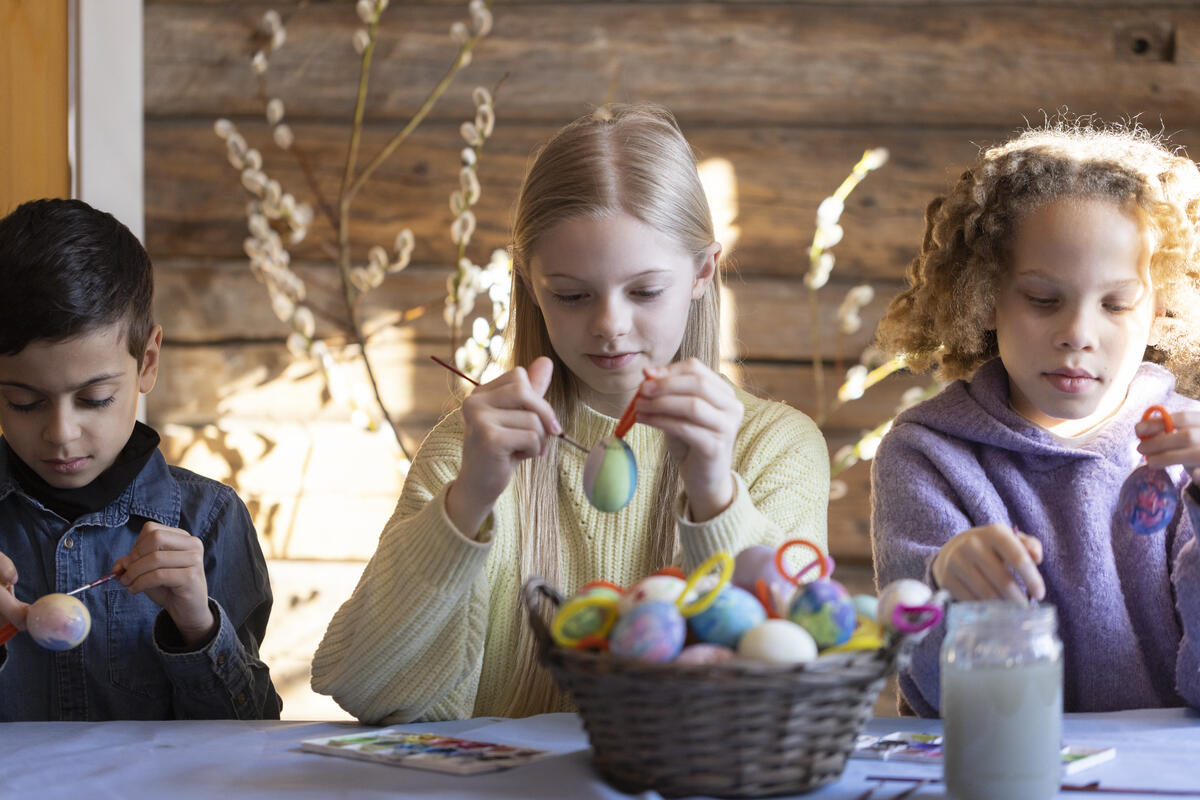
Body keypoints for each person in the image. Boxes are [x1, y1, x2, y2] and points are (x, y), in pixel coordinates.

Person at [311, 104, 830, 723]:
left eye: (644, 291)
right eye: (573, 295)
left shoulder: (775, 446)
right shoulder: (476, 449)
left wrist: (716, 496)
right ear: (530, 285)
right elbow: (369, 687)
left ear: (702, 273)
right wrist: (467, 501)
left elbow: (797, 687)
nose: (610, 325)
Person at [870, 120, 1200, 716]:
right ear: (985, 296)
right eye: (1043, 300)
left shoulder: (1189, 456)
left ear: (1158, 311)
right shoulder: (927, 455)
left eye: (1116, 304)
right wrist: (944, 581)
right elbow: (947, 700)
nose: (1077, 333)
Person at [0, 198, 281, 720]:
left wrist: (198, 624)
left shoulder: (209, 521)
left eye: (94, 399)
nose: (60, 433)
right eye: (24, 401)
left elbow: (253, 732)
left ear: (146, 362)